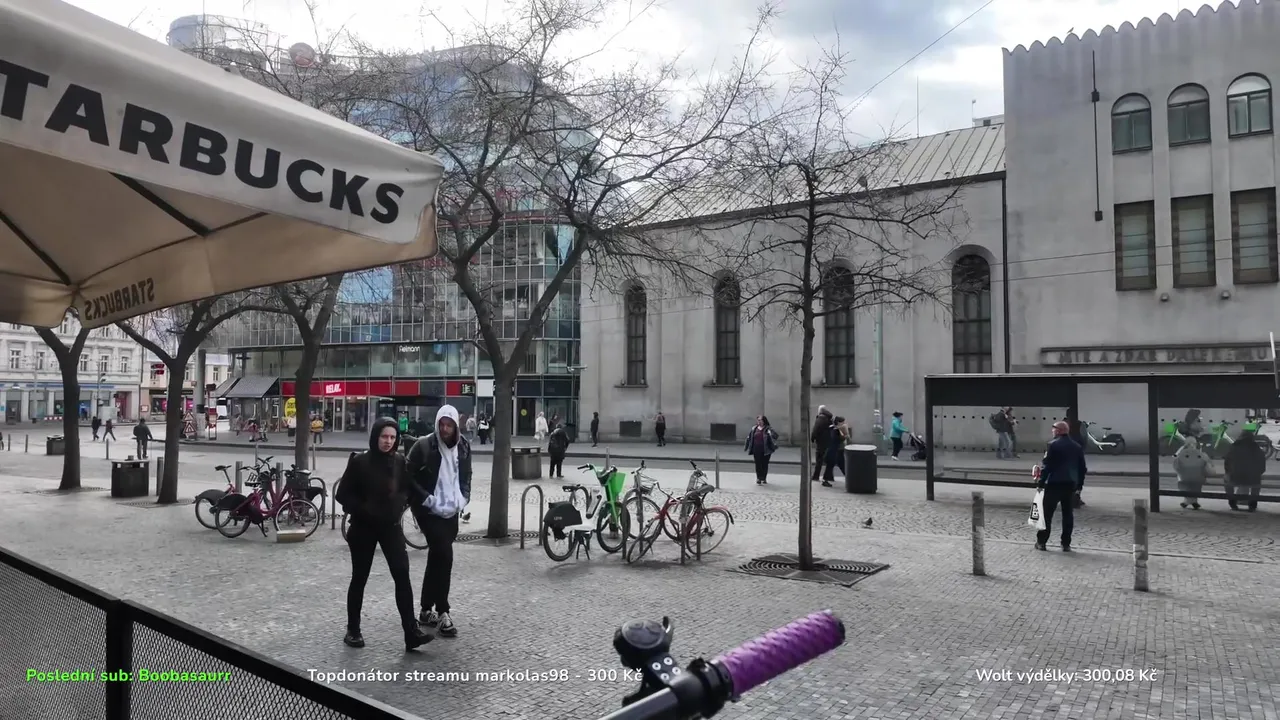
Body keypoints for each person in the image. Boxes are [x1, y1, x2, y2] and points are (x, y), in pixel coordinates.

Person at [335, 418, 433, 651]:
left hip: (391, 527)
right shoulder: (359, 462)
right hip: (363, 528)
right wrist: (364, 508)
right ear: (375, 437)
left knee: (402, 576)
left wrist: (408, 501)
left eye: (392, 437)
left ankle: (411, 632)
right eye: (384, 436)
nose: (388, 441)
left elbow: (408, 487)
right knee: (360, 578)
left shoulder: (399, 461)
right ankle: (353, 630)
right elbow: (342, 495)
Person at [407, 405, 471, 639]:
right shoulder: (423, 445)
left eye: (449, 425)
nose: (444, 429)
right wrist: (426, 499)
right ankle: (443, 611)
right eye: (441, 424)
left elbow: (467, 474)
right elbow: (408, 475)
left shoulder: (464, 446)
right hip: (428, 510)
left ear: (455, 426)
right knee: (445, 555)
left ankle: (426, 610)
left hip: (452, 510)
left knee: (437, 557)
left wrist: (464, 497)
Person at [1035, 421, 1087, 552]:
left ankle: (1041, 542)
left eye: (1053, 429)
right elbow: (1082, 468)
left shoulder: (1052, 445)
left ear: (1058, 431)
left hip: (1054, 484)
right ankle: (1066, 543)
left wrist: (1041, 482)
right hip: (1070, 484)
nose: (1052, 431)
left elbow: (1047, 466)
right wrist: (1079, 485)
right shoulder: (1076, 446)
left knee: (1047, 514)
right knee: (1068, 515)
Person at [1224, 430, 1264, 512]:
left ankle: (1232, 502)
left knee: (1227, 482)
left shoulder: (1233, 447)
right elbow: (1262, 466)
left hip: (1235, 477)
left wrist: (1228, 472)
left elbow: (1227, 463)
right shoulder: (1257, 448)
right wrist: (1257, 473)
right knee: (1257, 484)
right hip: (1252, 478)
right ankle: (1252, 504)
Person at [1173, 437, 1209, 510]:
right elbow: (1205, 462)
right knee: (1196, 486)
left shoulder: (1182, 452)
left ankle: (1187, 501)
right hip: (1198, 477)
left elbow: (1176, 464)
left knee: (1185, 485)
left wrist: (1180, 471)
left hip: (1184, 477)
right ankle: (1193, 501)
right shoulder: (1199, 452)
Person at [744, 415, 778, 485]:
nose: (759, 422)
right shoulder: (754, 428)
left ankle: (764, 477)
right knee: (758, 463)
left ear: (764, 421)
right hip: (756, 448)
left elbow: (776, 436)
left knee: (764, 464)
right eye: (758, 420)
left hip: (766, 449)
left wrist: (770, 433)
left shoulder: (768, 428)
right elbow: (749, 437)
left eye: (760, 420)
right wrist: (746, 447)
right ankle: (758, 478)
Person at [822, 416, 848, 487]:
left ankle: (827, 479)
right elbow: (838, 439)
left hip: (835, 451)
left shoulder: (834, 429)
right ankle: (825, 480)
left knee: (840, 465)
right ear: (839, 422)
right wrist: (844, 436)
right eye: (843, 422)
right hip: (834, 451)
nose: (844, 423)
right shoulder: (835, 430)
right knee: (833, 466)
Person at [810, 405, 833, 481]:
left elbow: (816, 429)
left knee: (819, 459)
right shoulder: (829, 418)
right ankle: (828, 476)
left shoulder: (820, 419)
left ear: (820, 411)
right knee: (827, 459)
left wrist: (812, 438)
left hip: (820, 442)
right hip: (828, 441)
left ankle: (816, 476)